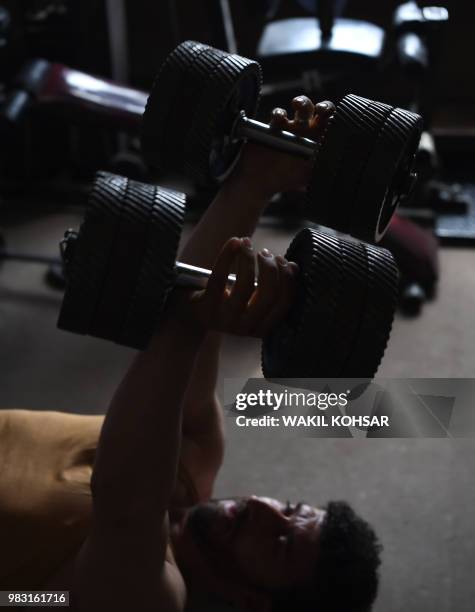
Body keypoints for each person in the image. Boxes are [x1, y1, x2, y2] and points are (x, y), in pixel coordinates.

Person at [0, 97, 381, 611]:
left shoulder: (149, 597)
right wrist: (255, 180)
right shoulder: (194, 457)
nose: (263, 511)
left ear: (254, 604)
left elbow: (126, 510)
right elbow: (186, 304)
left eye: (280, 544)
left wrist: (189, 322)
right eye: (289, 508)